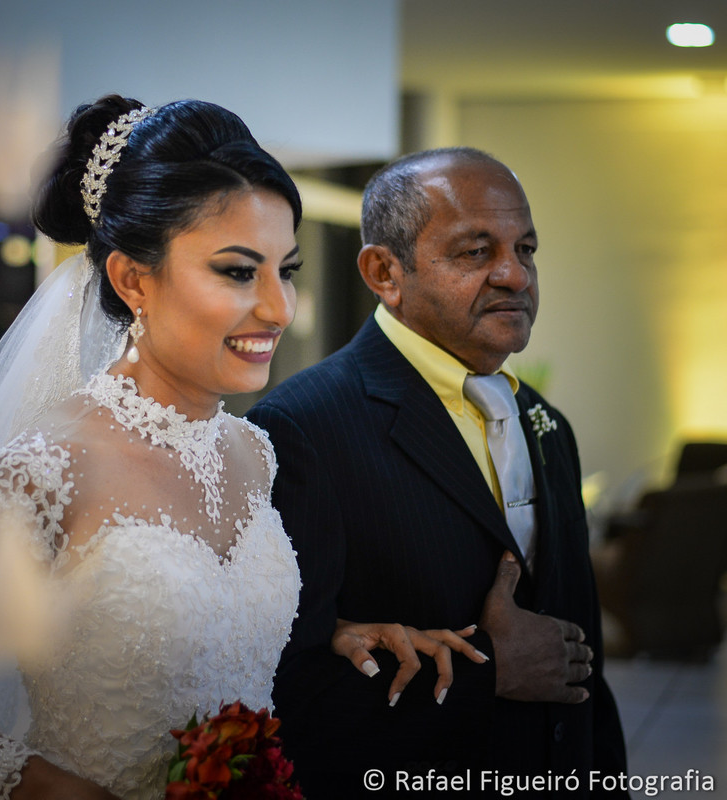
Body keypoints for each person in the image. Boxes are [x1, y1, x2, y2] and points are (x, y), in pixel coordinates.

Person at [0, 98, 480, 800]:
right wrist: (32, 781)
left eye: (287, 270)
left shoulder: (253, 455)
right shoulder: (51, 468)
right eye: (239, 272)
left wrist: (335, 632)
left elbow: (216, 626)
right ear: (132, 279)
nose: (278, 308)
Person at [247, 147, 628, 796]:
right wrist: (491, 675)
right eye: (476, 252)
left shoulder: (546, 424)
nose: (516, 274)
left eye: (526, 249)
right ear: (384, 271)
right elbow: (290, 695)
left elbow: (575, 657)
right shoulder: (303, 429)